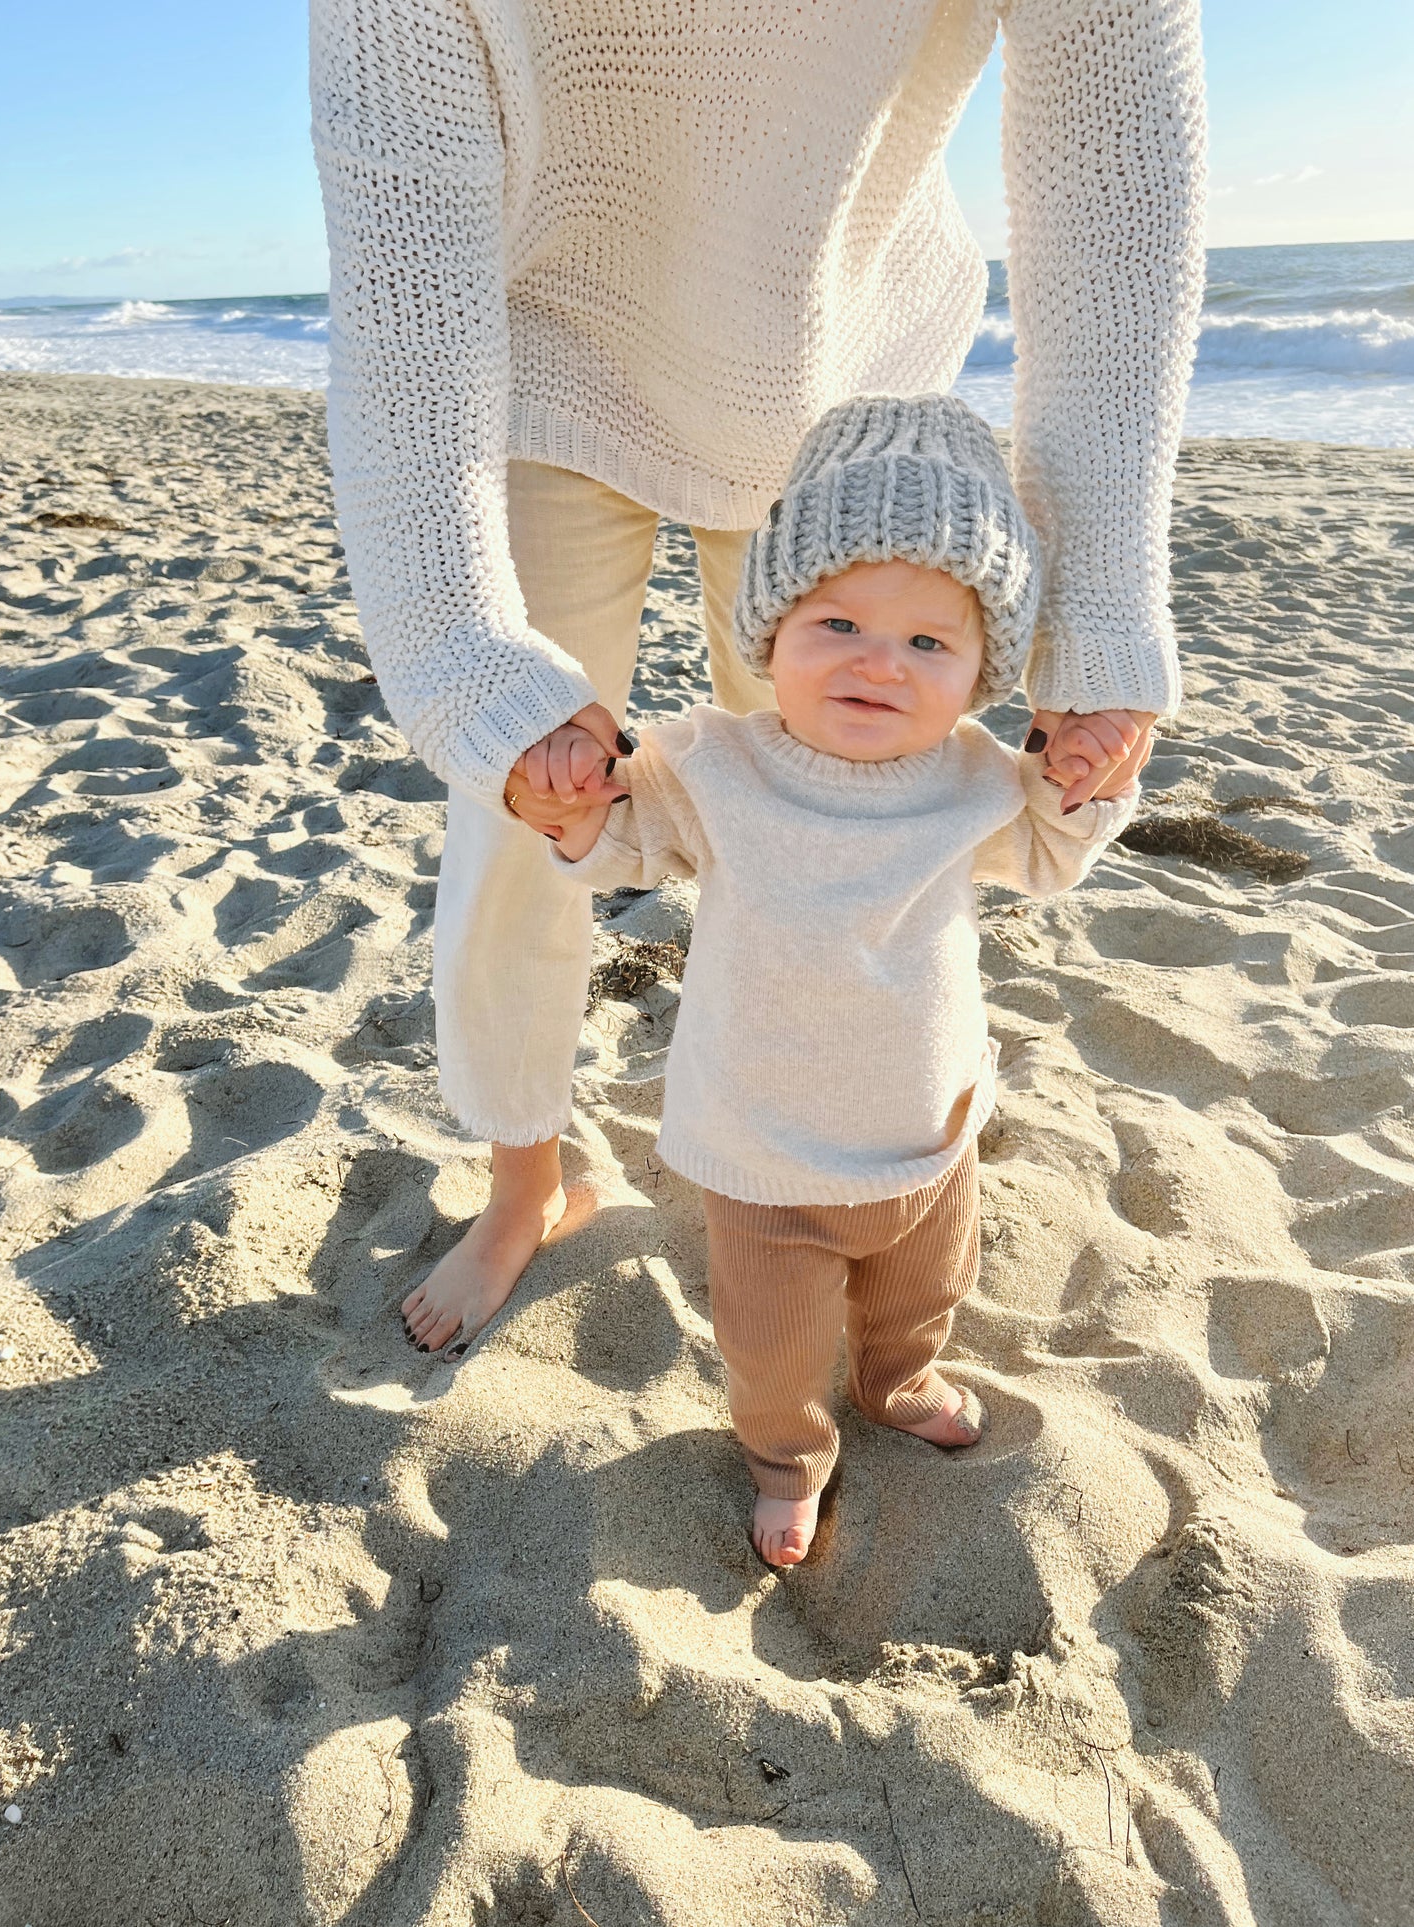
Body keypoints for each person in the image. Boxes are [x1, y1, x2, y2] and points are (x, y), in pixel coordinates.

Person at [309, 0, 1205, 1355]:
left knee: (854, 823)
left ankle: (849, 1167)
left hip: (847, 376)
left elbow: (1115, 183)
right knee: (520, 816)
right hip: (541, 357)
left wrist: (1095, 609)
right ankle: (524, 1183)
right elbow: (402, 266)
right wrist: (463, 653)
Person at [504, 395, 1144, 1564]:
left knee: (918, 1296)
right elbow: (615, 849)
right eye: (837, 621)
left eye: (926, 643)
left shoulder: (976, 778)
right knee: (771, 1342)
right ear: (769, 630)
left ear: (977, 675)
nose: (876, 663)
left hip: (924, 1130)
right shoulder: (715, 759)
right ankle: (784, 1460)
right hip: (762, 1147)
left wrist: (1085, 781)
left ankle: (899, 1385)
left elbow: (1050, 857)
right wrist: (564, 801)